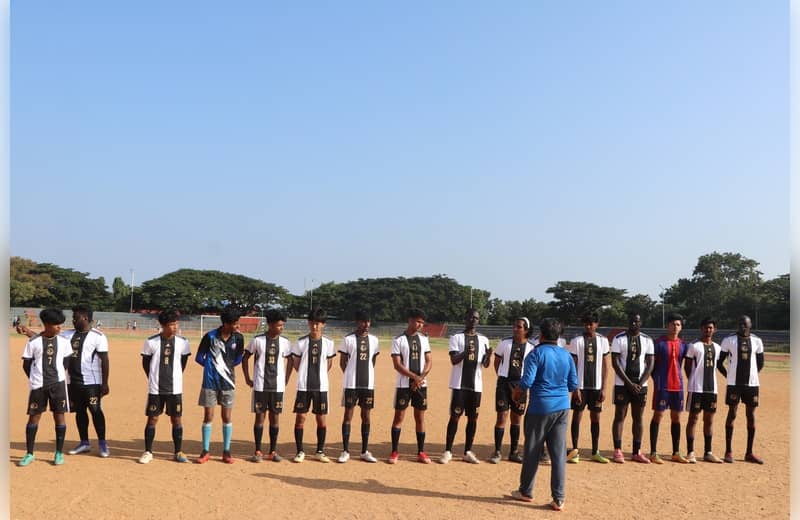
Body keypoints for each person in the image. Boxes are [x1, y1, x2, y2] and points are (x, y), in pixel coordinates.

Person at [16, 304, 111, 458]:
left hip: (91, 382)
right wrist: (28, 332)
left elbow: (105, 360)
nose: (73, 320)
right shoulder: (67, 334)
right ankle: (84, 442)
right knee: (79, 411)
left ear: (85, 318)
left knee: (95, 410)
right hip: (71, 381)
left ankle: (102, 443)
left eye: (75, 317)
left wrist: (105, 383)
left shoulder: (98, 337)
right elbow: (46, 338)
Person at [510, 317, 578, 511]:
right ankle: (559, 498)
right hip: (562, 408)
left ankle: (526, 491)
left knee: (532, 451)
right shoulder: (566, 355)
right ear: (559, 336)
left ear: (540, 334)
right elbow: (573, 384)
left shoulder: (536, 354)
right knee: (558, 455)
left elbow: (526, 382)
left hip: (540, 408)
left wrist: (516, 393)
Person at [17, 308, 73, 467]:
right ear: (47, 324)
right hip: (38, 386)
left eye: (61, 324)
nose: (60, 327)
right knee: (34, 417)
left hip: (58, 385)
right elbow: (26, 364)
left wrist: (57, 376)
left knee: (59, 417)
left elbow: (66, 362)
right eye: (57, 325)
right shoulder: (33, 342)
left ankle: (58, 453)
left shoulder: (64, 342)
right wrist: (35, 378)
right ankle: (29, 453)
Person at [439, 308, 492, 464]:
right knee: (455, 417)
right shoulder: (456, 338)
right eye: (470, 317)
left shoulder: (483, 339)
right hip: (459, 385)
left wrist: (488, 357)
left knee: (473, 419)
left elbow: (485, 365)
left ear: (478, 320)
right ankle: (448, 451)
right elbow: (454, 360)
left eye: (476, 318)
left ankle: (468, 451)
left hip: (476, 386)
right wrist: (465, 352)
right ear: (465, 318)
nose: (473, 320)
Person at [138, 309, 191, 464]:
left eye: (176, 324)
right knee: (152, 418)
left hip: (175, 388)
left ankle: (178, 452)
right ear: (163, 325)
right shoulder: (151, 342)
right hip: (156, 388)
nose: (175, 327)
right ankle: (148, 452)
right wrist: (153, 378)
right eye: (172, 324)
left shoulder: (183, 342)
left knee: (176, 419)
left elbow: (183, 363)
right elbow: (146, 363)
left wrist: (174, 376)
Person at [194, 307, 244, 464]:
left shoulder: (239, 338)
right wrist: (212, 367)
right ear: (226, 324)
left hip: (228, 382)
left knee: (226, 417)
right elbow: (199, 357)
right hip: (210, 383)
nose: (238, 326)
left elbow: (238, 358)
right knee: (208, 416)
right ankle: (205, 451)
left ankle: (226, 451)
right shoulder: (210, 337)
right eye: (235, 323)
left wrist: (226, 369)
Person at [243, 308, 293, 462]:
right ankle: (258, 451)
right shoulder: (258, 340)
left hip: (277, 386)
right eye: (279, 325)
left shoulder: (285, 342)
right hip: (260, 385)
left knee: (275, 418)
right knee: (260, 417)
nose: (281, 328)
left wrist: (286, 379)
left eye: (282, 325)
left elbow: (290, 360)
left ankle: (273, 451)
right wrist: (247, 378)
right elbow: (245, 357)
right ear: (270, 325)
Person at [291, 307, 336, 463]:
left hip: (321, 387)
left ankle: (320, 451)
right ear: (308, 323)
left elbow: (329, 364)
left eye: (318, 323)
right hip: (304, 386)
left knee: (321, 419)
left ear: (323, 324)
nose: (315, 326)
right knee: (301, 417)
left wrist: (320, 375)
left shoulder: (329, 343)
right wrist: (304, 374)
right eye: (312, 323)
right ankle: (300, 451)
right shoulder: (301, 342)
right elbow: (296, 363)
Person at [717, 315, 765, 464]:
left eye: (745, 324)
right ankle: (728, 451)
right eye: (740, 324)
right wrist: (729, 376)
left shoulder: (757, 341)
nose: (742, 326)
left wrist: (752, 375)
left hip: (752, 384)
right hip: (734, 384)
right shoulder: (729, 340)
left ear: (750, 325)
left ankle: (749, 453)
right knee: (732, 413)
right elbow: (719, 363)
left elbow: (760, 363)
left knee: (751, 415)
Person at [388, 308, 433, 464]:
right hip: (403, 385)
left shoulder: (424, 339)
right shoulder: (398, 340)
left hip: (421, 384)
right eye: (418, 321)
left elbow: (429, 361)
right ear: (410, 320)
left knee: (420, 418)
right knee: (399, 417)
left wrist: (420, 378)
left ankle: (421, 451)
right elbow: (397, 365)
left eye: (422, 322)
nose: (420, 325)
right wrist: (414, 377)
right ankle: (394, 451)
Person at [610, 312, 655, 463]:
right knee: (620, 416)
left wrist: (640, 383)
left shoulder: (647, 340)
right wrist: (629, 383)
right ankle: (617, 450)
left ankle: (637, 451)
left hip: (641, 386)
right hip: (622, 384)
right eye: (631, 321)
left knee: (638, 418)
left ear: (641, 323)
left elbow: (650, 363)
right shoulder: (619, 339)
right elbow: (615, 363)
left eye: (636, 321)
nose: (634, 323)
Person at [489, 317, 534, 464]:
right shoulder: (505, 343)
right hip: (504, 384)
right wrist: (502, 376)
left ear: (526, 330)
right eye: (514, 326)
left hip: (521, 385)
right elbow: (497, 362)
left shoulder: (531, 348)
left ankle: (513, 452)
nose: (515, 329)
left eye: (519, 327)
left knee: (516, 418)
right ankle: (497, 451)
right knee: (501, 417)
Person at [566, 311, 610, 464]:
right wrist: (575, 388)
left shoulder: (603, 341)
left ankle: (595, 451)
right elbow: (572, 365)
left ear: (597, 324)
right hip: (581, 387)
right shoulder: (576, 341)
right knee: (577, 416)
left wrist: (604, 388)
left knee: (595, 417)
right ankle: (575, 451)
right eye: (586, 323)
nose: (588, 326)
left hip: (596, 387)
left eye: (591, 323)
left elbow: (606, 366)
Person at [336, 310, 380, 463]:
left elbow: (373, 360)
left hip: (368, 384)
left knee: (366, 416)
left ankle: (364, 451)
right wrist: (350, 374)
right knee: (348, 415)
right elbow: (342, 362)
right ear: (357, 322)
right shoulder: (348, 339)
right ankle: (345, 451)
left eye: (368, 321)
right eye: (363, 321)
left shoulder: (374, 340)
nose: (366, 324)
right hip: (351, 384)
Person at [648, 313, 690, 464]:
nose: (675, 327)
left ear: (681, 327)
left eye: (678, 324)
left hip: (678, 386)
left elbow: (685, 364)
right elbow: (651, 365)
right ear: (667, 326)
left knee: (676, 417)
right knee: (658, 415)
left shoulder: (684, 345)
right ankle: (653, 452)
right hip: (662, 386)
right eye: (673, 324)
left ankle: (676, 452)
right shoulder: (658, 343)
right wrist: (657, 379)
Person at [684, 317, 724, 463]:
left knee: (709, 420)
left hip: (712, 389)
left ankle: (708, 452)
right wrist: (693, 381)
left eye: (711, 327)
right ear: (701, 329)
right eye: (706, 327)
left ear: (715, 330)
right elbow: (687, 367)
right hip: (696, 389)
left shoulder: (718, 348)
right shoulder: (693, 346)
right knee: (693, 418)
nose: (708, 330)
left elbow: (717, 366)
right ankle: (690, 452)